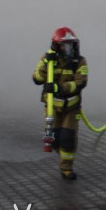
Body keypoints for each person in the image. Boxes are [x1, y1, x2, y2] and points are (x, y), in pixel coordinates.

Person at [31, 27, 88, 180]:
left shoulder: (79, 61)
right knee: (55, 138)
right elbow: (36, 78)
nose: (68, 49)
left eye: (71, 45)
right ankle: (61, 153)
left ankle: (66, 169)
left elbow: (80, 83)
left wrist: (59, 87)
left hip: (71, 107)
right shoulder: (47, 59)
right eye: (65, 45)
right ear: (57, 46)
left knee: (68, 138)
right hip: (53, 108)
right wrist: (45, 67)